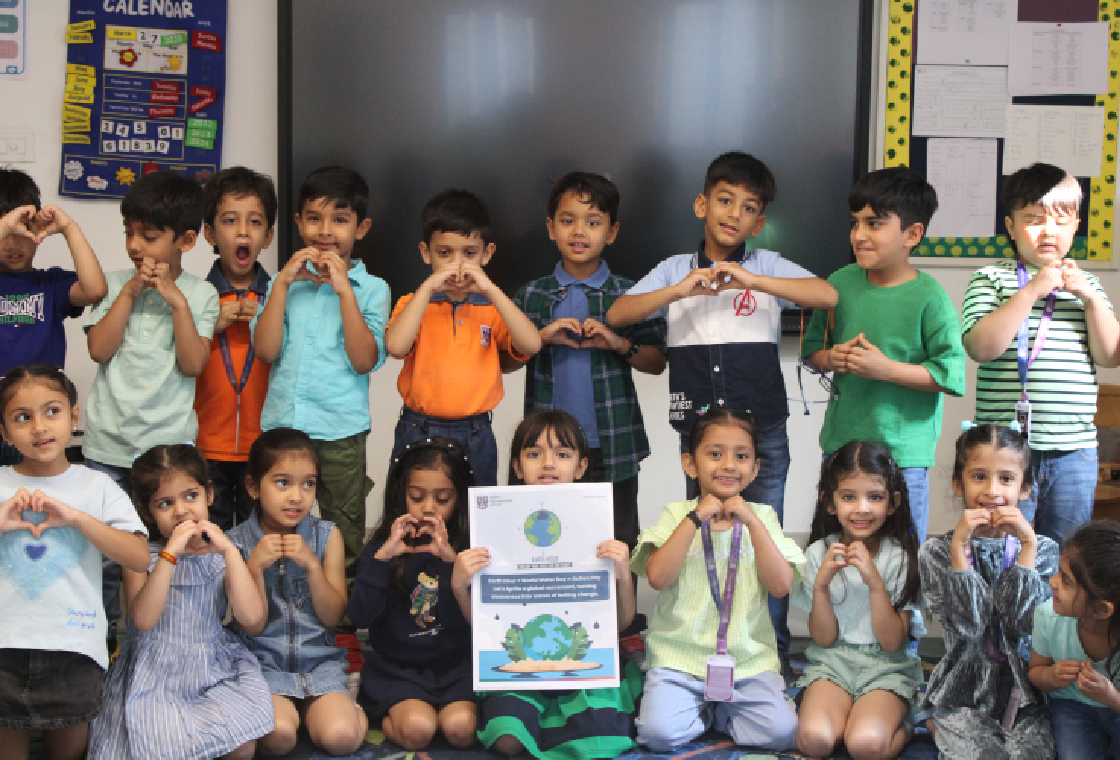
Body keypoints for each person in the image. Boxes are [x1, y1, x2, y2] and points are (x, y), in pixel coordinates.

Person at [607, 151, 835, 676]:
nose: (734, 214)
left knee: (764, 536)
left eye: (748, 208)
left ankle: (770, 654)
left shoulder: (766, 265)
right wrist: (678, 291)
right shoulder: (674, 269)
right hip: (702, 439)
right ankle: (710, 646)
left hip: (763, 433)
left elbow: (826, 294)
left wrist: (755, 282)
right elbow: (618, 313)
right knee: (707, 537)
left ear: (759, 221)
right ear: (701, 204)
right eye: (725, 200)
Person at [83, 169, 220, 659]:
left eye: (149, 235)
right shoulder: (115, 285)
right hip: (107, 448)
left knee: (165, 551)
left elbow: (193, 363)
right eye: (129, 233)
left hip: (167, 454)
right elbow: (98, 350)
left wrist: (177, 304)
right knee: (105, 558)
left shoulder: (200, 295)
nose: (135, 246)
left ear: (186, 240)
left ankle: (160, 647)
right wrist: (127, 295)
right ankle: (101, 649)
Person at [460, 410, 643, 760]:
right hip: (520, 666)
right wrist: (459, 587)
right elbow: (485, 627)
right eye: (534, 453)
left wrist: (622, 575)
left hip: (582, 663)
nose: (548, 463)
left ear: (581, 466)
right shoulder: (494, 525)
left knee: (600, 739)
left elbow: (621, 623)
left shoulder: (598, 524)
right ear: (517, 467)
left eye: (562, 454)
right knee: (508, 739)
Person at [802, 166, 966, 543]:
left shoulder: (930, 298)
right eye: (855, 223)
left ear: (913, 234)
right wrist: (833, 358)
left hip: (903, 458)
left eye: (874, 224)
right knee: (833, 550)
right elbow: (812, 352)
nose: (859, 235)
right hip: (841, 450)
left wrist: (886, 369)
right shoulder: (839, 283)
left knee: (902, 557)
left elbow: (949, 376)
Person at [961, 163, 1120, 546]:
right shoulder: (991, 279)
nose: (1048, 231)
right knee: (1001, 547)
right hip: (1004, 448)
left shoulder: (1088, 286)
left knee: (1066, 553)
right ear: (1011, 226)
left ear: (1076, 226)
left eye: (1060, 221)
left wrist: (1090, 298)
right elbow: (982, 348)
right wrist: (1031, 291)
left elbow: (1110, 355)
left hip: (1074, 449)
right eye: (1033, 220)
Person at [631, 407, 803, 752]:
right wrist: (694, 519)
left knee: (782, 733)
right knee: (658, 734)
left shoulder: (764, 516)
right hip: (679, 661)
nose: (728, 465)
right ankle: (709, 712)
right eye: (714, 454)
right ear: (690, 464)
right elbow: (658, 578)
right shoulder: (676, 515)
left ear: (755, 468)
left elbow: (781, 585)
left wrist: (752, 523)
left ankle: (718, 713)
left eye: (741, 456)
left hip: (748, 663)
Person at [252, 165, 390, 595]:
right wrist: (280, 287)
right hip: (283, 427)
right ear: (299, 223)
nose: (325, 231)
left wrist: (344, 290)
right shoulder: (282, 284)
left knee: (341, 527)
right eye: (314, 218)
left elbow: (364, 360)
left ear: (360, 228)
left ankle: (339, 618)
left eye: (340, 219)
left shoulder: (372, 289)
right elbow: (265, 351)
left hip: (340, 431)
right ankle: (278, 611)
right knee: (277, 522)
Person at [512, 171, 666, 555]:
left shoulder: (630, 294)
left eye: (593, 222)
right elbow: (503, 362)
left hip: (612, 443)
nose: (579, 231)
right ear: (551, 227)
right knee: (541, 544)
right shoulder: (530, 295)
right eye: (568, 220)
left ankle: (620, 600)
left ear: (611, 232)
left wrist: (618, 343)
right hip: (544, 449)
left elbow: (657, 362)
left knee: (617, 542)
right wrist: (540, 338)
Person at [0, 365, 149, 760]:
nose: (39, 427)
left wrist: (78, 519)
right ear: (4, 431)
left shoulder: (97, 485)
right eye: (22, 417)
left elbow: (138, 556)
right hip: (4, 646)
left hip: (74, 648)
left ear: (74, 416)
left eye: (52, 411)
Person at [88, 444, 272, 760]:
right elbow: (143, 620)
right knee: (162, 744)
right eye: (165, 503)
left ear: (209, 495)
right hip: (156, 673)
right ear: (148, 512)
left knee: (242, 747)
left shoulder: (226, 551)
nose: (181, 511)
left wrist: (229, 553)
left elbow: (253, 621)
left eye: (191, 496)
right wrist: (169, 555)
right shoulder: (141, 555)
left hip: (211, 667)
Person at [920, 422, 1059, 759]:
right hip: (963, 691)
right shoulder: (936, 553)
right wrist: (959, 551)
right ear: (958, 483)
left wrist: (1026, 549)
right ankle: (939, 721)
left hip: (1025, 691)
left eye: (1006, 478)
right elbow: (968, 626)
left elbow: (1024, 625)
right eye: (979, 476)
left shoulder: (1043, 550)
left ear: (1025, 488)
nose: (992, 491)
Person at [384, 188, 542, 486]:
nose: (457, 266)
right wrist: (427, 288)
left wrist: (491, 290)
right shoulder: (412, 303)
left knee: (476, 508)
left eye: (469, 253)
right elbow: (395, 346)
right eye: (444, 253)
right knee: (414, 504)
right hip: (418, 427)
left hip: (475, 431)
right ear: (425, 253)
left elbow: (531, 344)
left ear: (487, 254)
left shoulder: (492, 308)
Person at [227, 428, 368, 756]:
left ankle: (347, 710)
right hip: (263, 666)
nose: (297, 497)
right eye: (283, 483)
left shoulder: (326, 535)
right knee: (279, 738)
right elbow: (252, 625)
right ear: (253, 487)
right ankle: (291, 713)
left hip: (319, 664)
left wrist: (312, 567)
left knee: (341, 738)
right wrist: (253, 568)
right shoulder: (235, 543)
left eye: (308, 484)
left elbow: (333, 616)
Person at [792, 440, 924, 760]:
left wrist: (874, 583)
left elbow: (892, 642)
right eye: (849, 497)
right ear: (830, 502)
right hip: (832, 664)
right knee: (814, 741)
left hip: (886, 668)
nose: (861, 508)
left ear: (892, 503)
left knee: (865, 745)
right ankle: (849, 715)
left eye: (874, 497)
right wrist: (821, 587)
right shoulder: (818, 553)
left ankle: (907, 723)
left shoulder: (900, 557)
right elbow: (824, 639)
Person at [347, 437, 476, 751]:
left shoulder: (465, 552)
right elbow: (359, 617)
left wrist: (451, 565)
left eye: (442, 499)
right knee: (418, 729)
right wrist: (381, 561)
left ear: (458, 500)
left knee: (461, 729)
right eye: (417, 497)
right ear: (401, 495)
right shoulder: (380, 550)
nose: (428, 508)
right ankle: (381, 713)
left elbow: (468, 625)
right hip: (397, 670)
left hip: (455, 668)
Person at [0, 168, 107, 465]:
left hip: (37, 421)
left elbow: (95, 289)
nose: (12, 244)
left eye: (21, 232)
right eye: (6, 234)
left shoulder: (50, 284)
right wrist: (5, 225)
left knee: (36, 492)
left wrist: (69, 227)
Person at [195, 166, 277, 530]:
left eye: (255, 222)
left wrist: (267, 321)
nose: (243, 231)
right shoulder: (193, 298)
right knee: (206, 537)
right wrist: (206, 325)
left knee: (257, 537)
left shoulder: (280, 297)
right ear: (210, 233)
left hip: (263, 446)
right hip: (204, 444)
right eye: (230, 220)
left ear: (269, 235)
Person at [1030, 521, 1120, 759]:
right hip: (1073, 707)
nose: (1052, 581)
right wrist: (1051, 676)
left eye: (1066, 581)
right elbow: (1035, 671)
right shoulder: (1047, 616)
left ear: (1101, 609)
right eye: (1059, 572)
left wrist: (1111, 697)